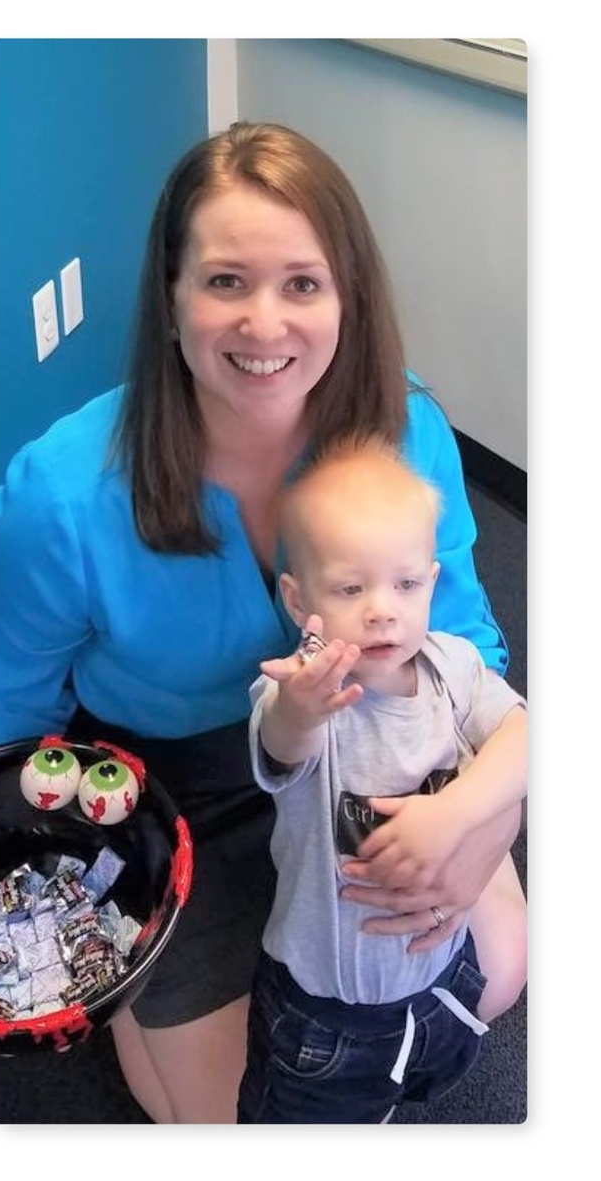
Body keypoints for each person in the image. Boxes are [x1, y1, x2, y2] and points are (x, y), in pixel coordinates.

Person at [0, 121, 526, 1123]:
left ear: (347, 297)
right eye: (227, 282)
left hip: (370, 748)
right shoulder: (60, 496)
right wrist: (54, 883)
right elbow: (6, 723)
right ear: (171, 294)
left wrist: (475, 821)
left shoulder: (407, 430)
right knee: (233, 1119)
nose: (265, 325)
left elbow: (471, 659)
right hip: (170, 783)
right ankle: (144, 1012)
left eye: (303, 284)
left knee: (494, 973)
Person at [238, 437, 527, 1122]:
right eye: (349, 587)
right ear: (297, 596)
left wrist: (456, 813)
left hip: (438, 973)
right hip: (328, 1017)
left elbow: (526, 734)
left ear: (432, 579)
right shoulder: (309, 696)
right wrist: (298, 707)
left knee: (416, 1082)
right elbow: (282, 740)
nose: (382, 610)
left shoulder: (450, 666)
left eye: (405, 584)